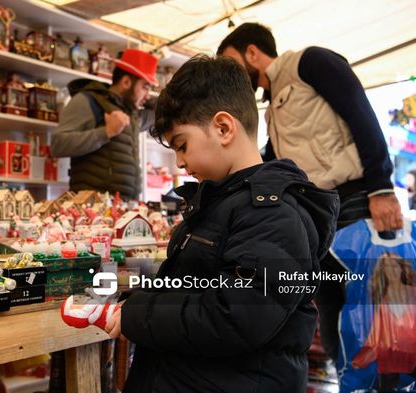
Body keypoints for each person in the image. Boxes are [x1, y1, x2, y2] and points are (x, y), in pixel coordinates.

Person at [103, 55, 339, 393]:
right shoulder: (219, 204)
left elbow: (235, 316)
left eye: (182, 146)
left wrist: (139, 316)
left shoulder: (272, 215)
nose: (181, 162)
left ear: (224, 128)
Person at [217, 22, 403, 362]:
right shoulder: (272, 109)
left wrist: (380, 187)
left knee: (372, 310)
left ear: (253, 53)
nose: (230, 72)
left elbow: (361, 113)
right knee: (331, 307)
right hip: (318, 218)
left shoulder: (310, 63)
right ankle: (347, 379)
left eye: (231, 61)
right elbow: (270, 160)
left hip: (355, 202)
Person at [50, 49, 158, 199]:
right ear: (126, 82)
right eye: (145, 87)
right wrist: (106, 132)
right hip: (92, 208)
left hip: (125, 206)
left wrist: (147, 96)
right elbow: (57, 145)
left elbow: (160, 113)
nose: (148, 94)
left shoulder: (133, 115)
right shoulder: (88, 100)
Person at [352, 252, 416, 391]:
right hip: (391, 356)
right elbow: (376, 334)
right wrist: (363, 358)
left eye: (394, 266)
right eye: (387, 267)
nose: (391, 271)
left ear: (401, 268)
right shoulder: (382, 301)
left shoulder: (414, 293)